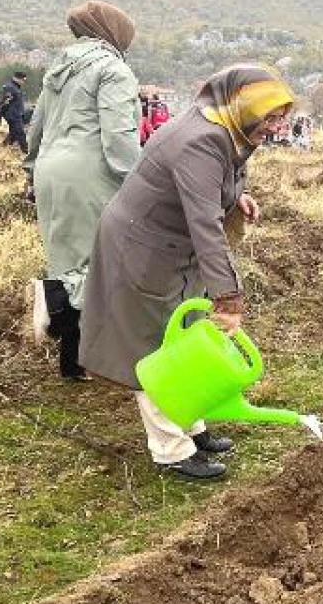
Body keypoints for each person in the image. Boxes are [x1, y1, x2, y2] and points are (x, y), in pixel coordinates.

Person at [80, 64, 295, 480]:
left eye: (281, 117)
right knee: (155, 345)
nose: (277, 127)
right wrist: (229, 298)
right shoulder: (200, 140)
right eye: (270, 117)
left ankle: (190, 423)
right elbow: (205, 227)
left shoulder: (222, 126)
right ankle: (170, 449)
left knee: (185, 334)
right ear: (243, 105)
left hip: (169, 248)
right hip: (143, 249)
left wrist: (236, 196)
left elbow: (206, 187)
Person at [24, 0, 139, 382]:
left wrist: (32, 172)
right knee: (96, 263)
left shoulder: (58, 70)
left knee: (67, 257)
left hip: (51, 171)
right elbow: (119, 138)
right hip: (91, 172)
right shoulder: (113, 70)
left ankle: (73, 363)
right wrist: (139, 184)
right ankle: (55, 308)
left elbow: (35, 129)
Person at [1, 71, 29, 153]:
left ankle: (3, 147)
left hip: (16, 114)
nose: (24, 82)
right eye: (23, 80)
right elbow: (5, 102)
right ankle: (26, 152)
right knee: (20, 133)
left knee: (13, 134)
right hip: (12, 115)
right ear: (17, 78)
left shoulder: (16, 87)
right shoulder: (10, 87)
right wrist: (4, 114)